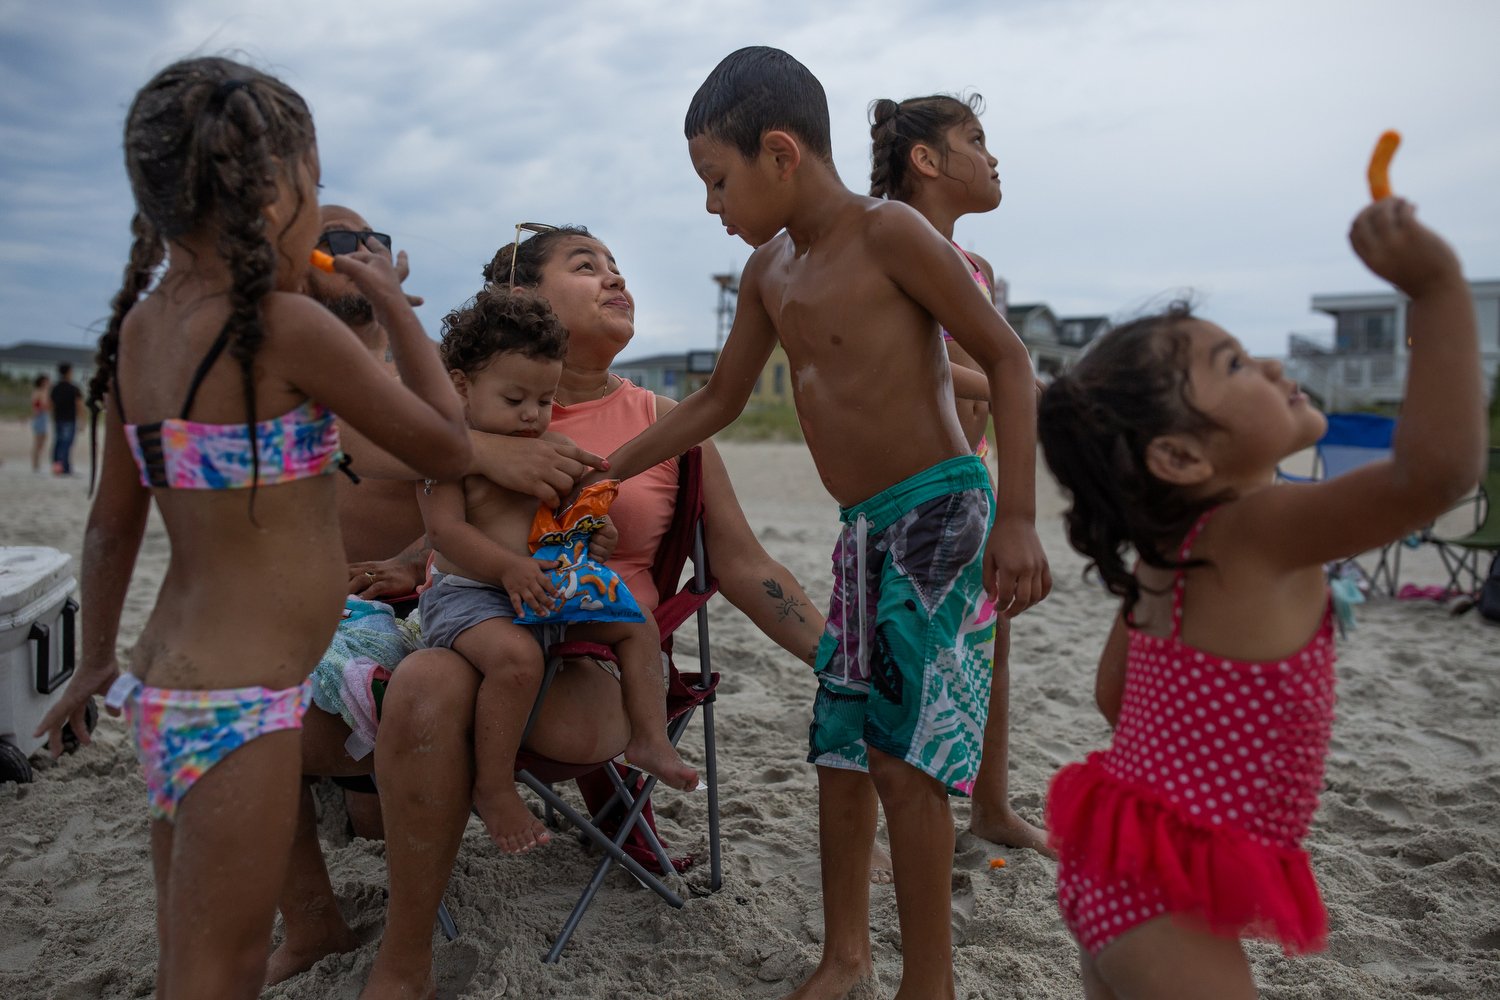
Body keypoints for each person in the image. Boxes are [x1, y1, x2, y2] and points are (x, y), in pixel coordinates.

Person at [598, 46, 1050, 1000]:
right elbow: (719, 399)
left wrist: (1018, 518)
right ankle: (845, 957)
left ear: (780, 153)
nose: (711, 206)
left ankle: (929, 982)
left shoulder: (889, 235)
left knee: (904, 754)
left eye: (717, 181)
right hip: (861, 533)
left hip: (940, 512)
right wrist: (604, 472)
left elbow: (1008, 363)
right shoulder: (770, 271)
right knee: (840, 747)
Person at [33, 56, 471, 999]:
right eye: (315, 183)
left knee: (189, 949)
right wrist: (392, 303)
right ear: (278, 190)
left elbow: (113, 526)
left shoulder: (143, 333)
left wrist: (96, 660)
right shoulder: (282, 327)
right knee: (222, 969)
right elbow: (447, 443)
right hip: (241, 700)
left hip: (167, 683)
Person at [358, 223, 827, 999]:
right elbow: (354, 451)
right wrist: (475, 459)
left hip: (593, 650)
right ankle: (403, 962)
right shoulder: (457, 412)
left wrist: (839, 658)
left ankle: (513, 783)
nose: (615, 279)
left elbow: (743, 565)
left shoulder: (666, 419)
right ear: (518, 299)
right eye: (586, 266)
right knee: (424, 688)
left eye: (617, 266)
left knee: (507, 703)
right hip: (480, 627)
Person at [1037, 197, 1480, 999]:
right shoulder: (1259, 527)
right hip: (1162, 905)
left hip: (1116, 871)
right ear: (1178, 456)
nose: (1272, 366)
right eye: (1235, 365)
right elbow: (1434, 476)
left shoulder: (1170, 552)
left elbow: (1115, 697)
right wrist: (1439, 289)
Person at [268, 212, 614, 987]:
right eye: (334, 236)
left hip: (446, 615)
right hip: (346, 616)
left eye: (372, 242)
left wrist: (409, 557)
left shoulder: (443, 386)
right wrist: (476, 457)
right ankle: (316, 918)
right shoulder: (299, 378)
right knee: (262, 704)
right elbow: (388, 453)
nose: (356, 250)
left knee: (387, 776)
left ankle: (402, 941)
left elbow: (464, 506)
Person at [418, 284, 698, 853]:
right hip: (471, 596)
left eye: (543, 401)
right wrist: (506, 570)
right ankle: (494, 787)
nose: (531, 416)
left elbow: (575, 514)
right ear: (461, 386)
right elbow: (445, 532)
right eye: (515, 398)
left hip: (547, 589)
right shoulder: (447, 453)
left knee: (637, 623)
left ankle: (647, 739)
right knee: (517, 661)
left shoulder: (550, 445)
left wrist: (598, 533)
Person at [868, 91, 1049, 855]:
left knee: (990, 643)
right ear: (927, 160)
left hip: (969, 468)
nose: (993, 156)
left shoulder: (972, 264)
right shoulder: (891, 245)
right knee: (911, 666)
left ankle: (993, 806)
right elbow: (923, 364)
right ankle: (898, 830)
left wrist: (1017, 399)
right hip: (912, 483)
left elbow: (978, 361)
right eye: (977, 139)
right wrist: (1033, 390)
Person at [48, 362, 81, 475]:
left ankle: (57, 464)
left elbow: (51, 404)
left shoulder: (55, 388)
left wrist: (52, 416)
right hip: (70, 419)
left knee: (58, 442)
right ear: (68, 372)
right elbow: (79, 404)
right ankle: (64, 466)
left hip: (58, 418)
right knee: (66, 443)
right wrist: (82, 419)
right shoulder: (73, 388)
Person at [29, 374, 50, 473]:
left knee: (42, 440)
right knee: (38, 441)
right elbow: (37, 405)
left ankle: (37, 462)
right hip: (39, 417)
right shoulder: (38, 392)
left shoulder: (44, 392)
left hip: (44, 416)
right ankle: (35, 463)